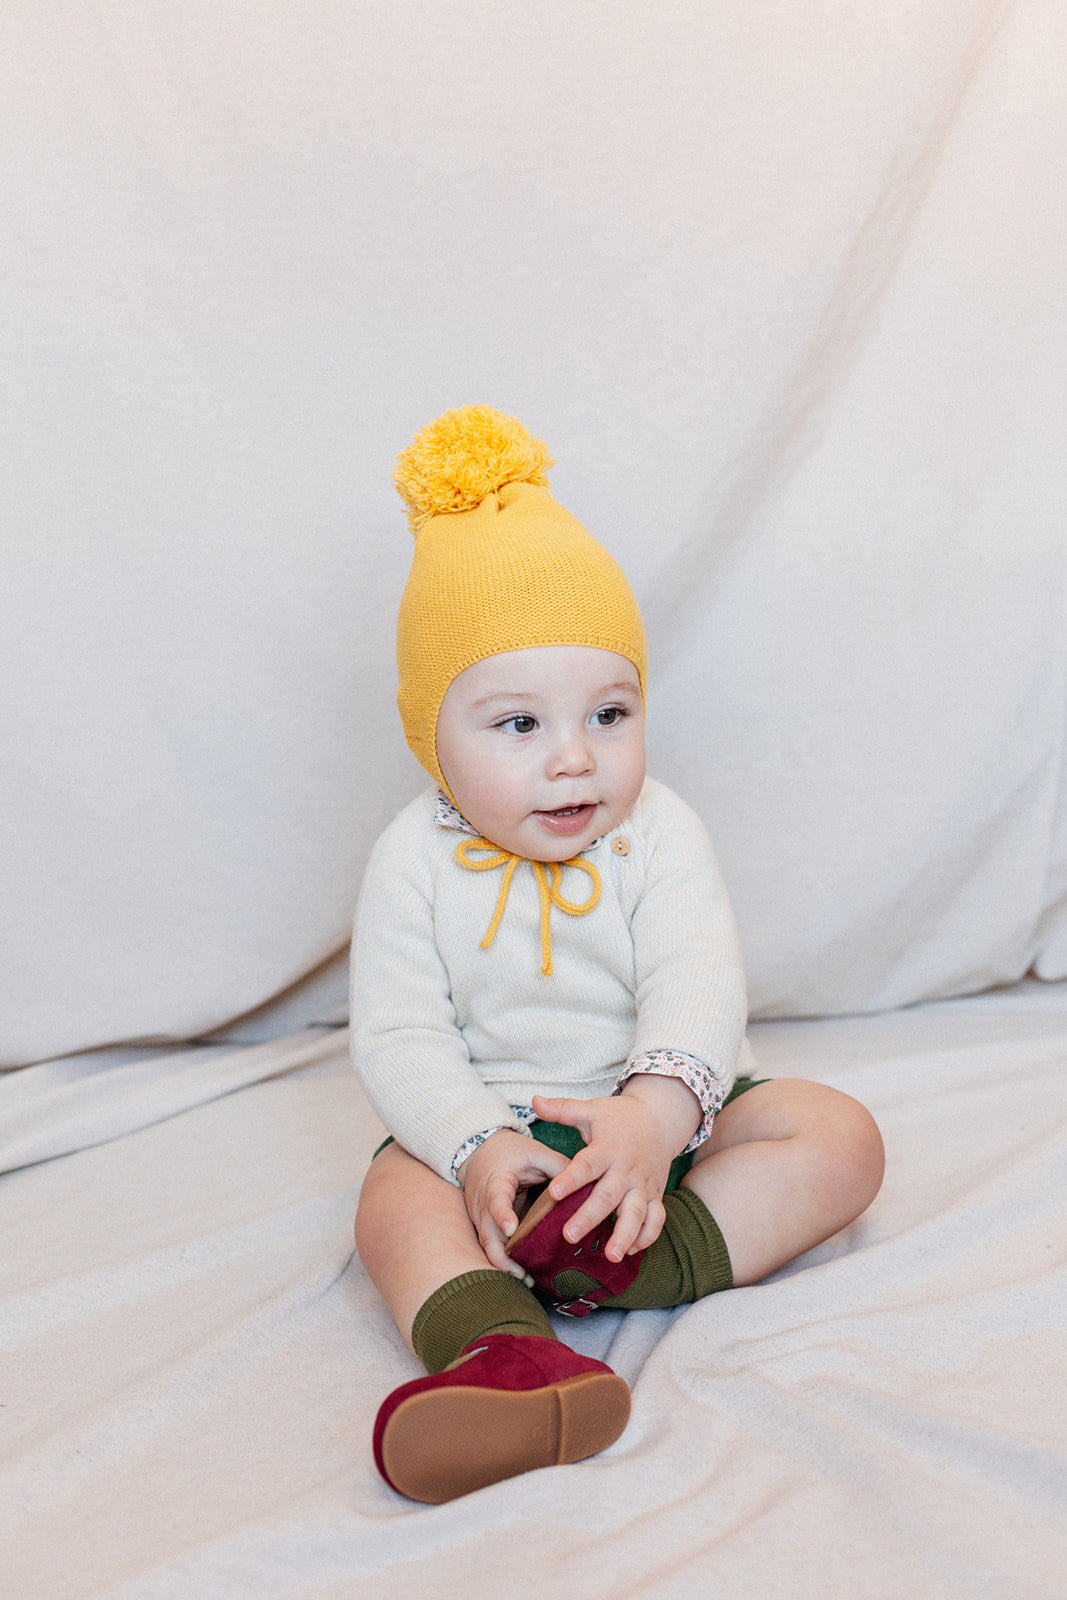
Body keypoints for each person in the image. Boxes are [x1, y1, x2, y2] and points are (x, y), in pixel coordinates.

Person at [351, 405, 884, 1503]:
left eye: (608, 712)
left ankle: (635, 1253)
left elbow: (695, 980)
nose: (573, 762)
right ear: (429, 735)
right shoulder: (410, 857)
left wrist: (654, 1117)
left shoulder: (659, 832)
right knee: (390, 1201)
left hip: (664, 1121)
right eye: (516, 726)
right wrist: (474, 1147)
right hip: (502, 1134)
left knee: (838, 1138)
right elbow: (401, 1032)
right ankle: (503, 1351)